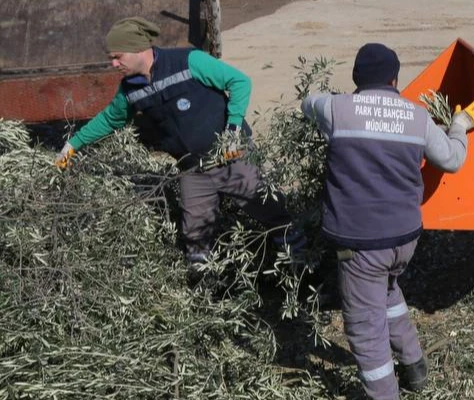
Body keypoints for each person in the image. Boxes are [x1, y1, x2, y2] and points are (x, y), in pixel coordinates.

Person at [301, 42, 474, 400]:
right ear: (394, 80)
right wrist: (460, 124)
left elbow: (308, 103)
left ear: (357, 79)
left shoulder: (337, 109)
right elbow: (452, 159)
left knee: (365, 329)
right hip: (404, 239)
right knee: (388, 293)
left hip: (361, 244)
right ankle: (415, 367)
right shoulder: (417, 117)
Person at [55, 17, 298, 265]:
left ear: (139, 49)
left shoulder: (189, 61)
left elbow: (239, 81)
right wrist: (72, 145)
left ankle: (301, 264)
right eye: (111, 58)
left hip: (231, 157)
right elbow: (110, 119)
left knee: (271, 211)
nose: (113, 63)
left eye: (118, 56)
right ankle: (204, 283)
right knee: (195, 236)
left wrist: (233, 130)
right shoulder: (129, 89)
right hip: (192, 169)